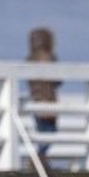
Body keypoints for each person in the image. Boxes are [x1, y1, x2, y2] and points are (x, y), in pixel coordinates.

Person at [26, 27, 62, 156]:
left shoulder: (30, 59)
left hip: (36, 101)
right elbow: (58, 80)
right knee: (50, 132)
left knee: (42, 132)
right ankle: (40, 157)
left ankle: (40, 158)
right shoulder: (50, 58)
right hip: (49, 101)